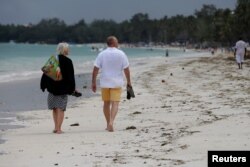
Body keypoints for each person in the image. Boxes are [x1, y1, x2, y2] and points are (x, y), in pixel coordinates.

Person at [91, 36, 132, 132]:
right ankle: (111, 122)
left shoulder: (102, 54)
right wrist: (129, 81)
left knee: (106, 103)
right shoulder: (121, 54)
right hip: (117, 82)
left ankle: (108, 123)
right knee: (115, 103)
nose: (118, 43)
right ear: (113, 43)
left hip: (105, 82)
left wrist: (93, 82)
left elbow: (95, 69)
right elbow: (126, 69)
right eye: (117, 41)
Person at [41, 42, 79, 134]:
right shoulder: (68, 61)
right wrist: (72, 89)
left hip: (52, 88)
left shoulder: (53, 60)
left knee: (54, 108)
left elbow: (45, 74)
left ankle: (56, 127)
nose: (69, 50)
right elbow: (71, 77)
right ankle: (58, 129)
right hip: (63, 89)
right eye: (68, 49)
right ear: (65, 50)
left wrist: (43, 85)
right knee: (60, 108)